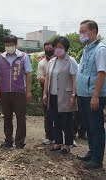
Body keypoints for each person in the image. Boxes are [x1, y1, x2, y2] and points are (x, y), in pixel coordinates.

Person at [76, 20, 106, 169]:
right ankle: (91, 151)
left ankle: (97, 159)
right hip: (83, 95)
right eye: (80, 31)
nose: (80, 34)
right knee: (88, 126)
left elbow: (102, 73)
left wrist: (95, 95)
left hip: (94, 96)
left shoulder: (100, 49)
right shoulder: (87, 49)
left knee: (96, 127)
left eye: (83, 31)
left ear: (93, 31)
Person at [0, 35, 33, 149]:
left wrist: (28, 91)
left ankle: (20, 142)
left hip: (19, 91)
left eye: (11, 45)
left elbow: (29, 73)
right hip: (5, 92)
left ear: (16, 45)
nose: (9, 47)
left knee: (20, 117)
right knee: (7, 117)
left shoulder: (23, 57)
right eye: (7, 45)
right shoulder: (0, 57)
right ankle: (8, 140)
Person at [43, 36, 78, 154]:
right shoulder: (52, 61)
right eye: (56, 47)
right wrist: (45, 94)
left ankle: (67, 144)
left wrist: (73, 95)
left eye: (60, 47)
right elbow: (47, 78)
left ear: (65, 48)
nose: (57, 49)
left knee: (66, 121)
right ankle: (57, 142)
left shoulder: (71, 61)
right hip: (52, 95)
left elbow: (75, 79)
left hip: (65, 96)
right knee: (55, 120)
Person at [38, 41, 55, 145]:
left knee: (60, 115)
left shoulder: (59, 60)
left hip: (59, 91)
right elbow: (40, 79)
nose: (48, 49)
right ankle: (48, 136)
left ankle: (60, 137)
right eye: (46, 48)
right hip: (46, 91)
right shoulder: (42, 63)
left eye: (50, 47)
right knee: (48, 115)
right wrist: (49, 79)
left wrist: (46, 78)